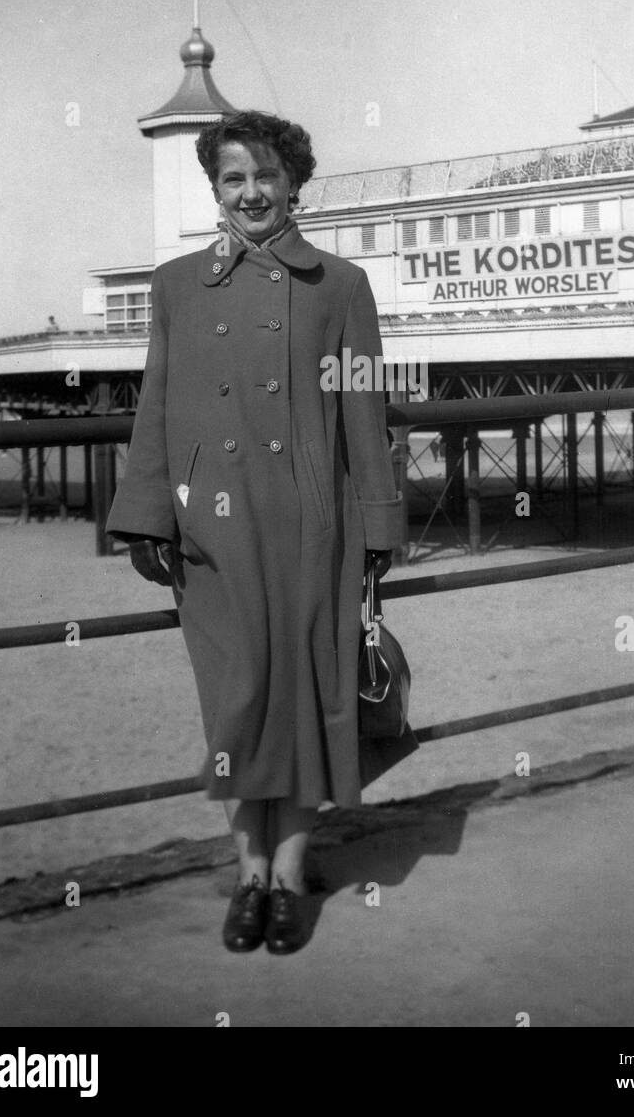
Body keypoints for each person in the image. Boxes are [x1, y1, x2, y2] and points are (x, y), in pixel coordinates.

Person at [106, 110, 411, 955]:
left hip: (314, 523)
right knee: (239, 700)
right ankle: (248, 873)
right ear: (215, 189)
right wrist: (145, 515)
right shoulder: (174, 286)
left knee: (310, 696)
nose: (251, 193)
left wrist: (378, 521)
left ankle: (287, 877)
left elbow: (363, 409)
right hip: (212, 529)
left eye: (265, 176)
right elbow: (157, 405)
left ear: (293, 185)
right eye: (234, 178)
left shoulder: (342, 287)